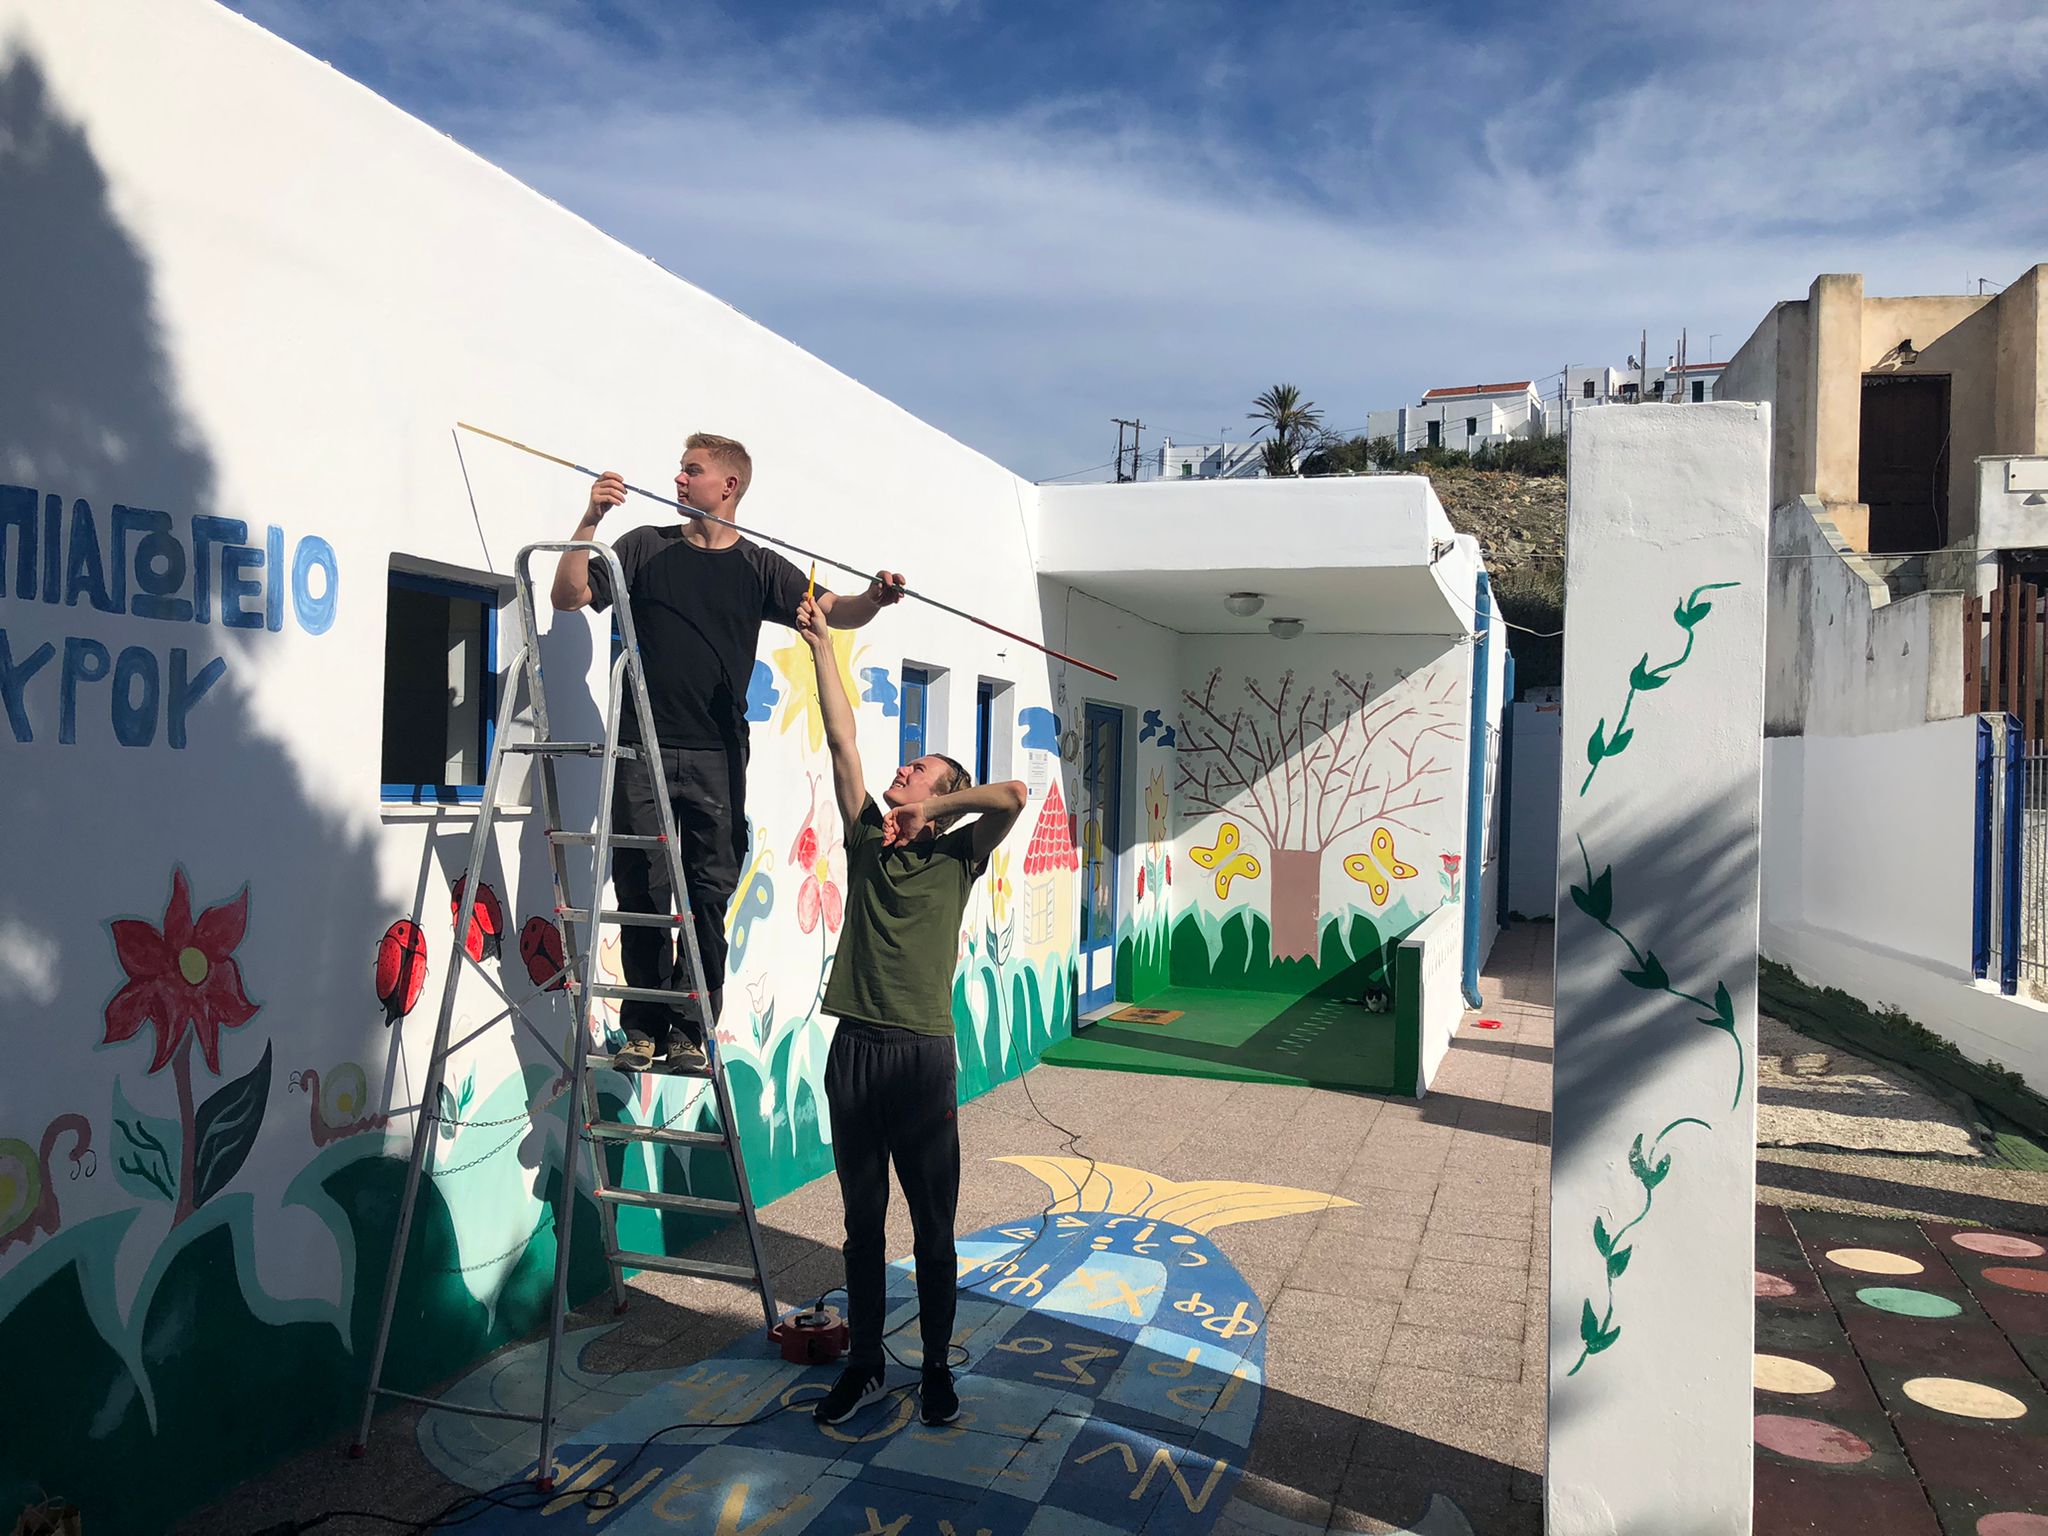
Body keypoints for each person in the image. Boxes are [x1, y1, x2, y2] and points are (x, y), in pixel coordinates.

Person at [551, 433, 904, 1073]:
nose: (679, 480)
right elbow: (568, 595)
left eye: (692, 471)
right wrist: (591, 518)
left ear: (728, 486)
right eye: (681, 470)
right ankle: (643, 1027)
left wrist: (875, 597)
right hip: (640, 748)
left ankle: (692, 1027)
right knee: (642, 886)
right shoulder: (643, 547)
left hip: (716, 754)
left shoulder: (760, 568)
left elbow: (836, 611)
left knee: (707, 893)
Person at [795, 591, 1026, 1429]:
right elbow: (842, 740)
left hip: (922, 1056)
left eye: (919, 769)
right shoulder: (866, 837)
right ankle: (864, 1364)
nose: (903, 771)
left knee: (933, 1228)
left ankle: (934, 1368)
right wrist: (822, 643)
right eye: (907, 769)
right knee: (862, 1225)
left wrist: (937, 808)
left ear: (941, 794)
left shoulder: (960, 856)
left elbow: (1014, 794)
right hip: (855, 1050)